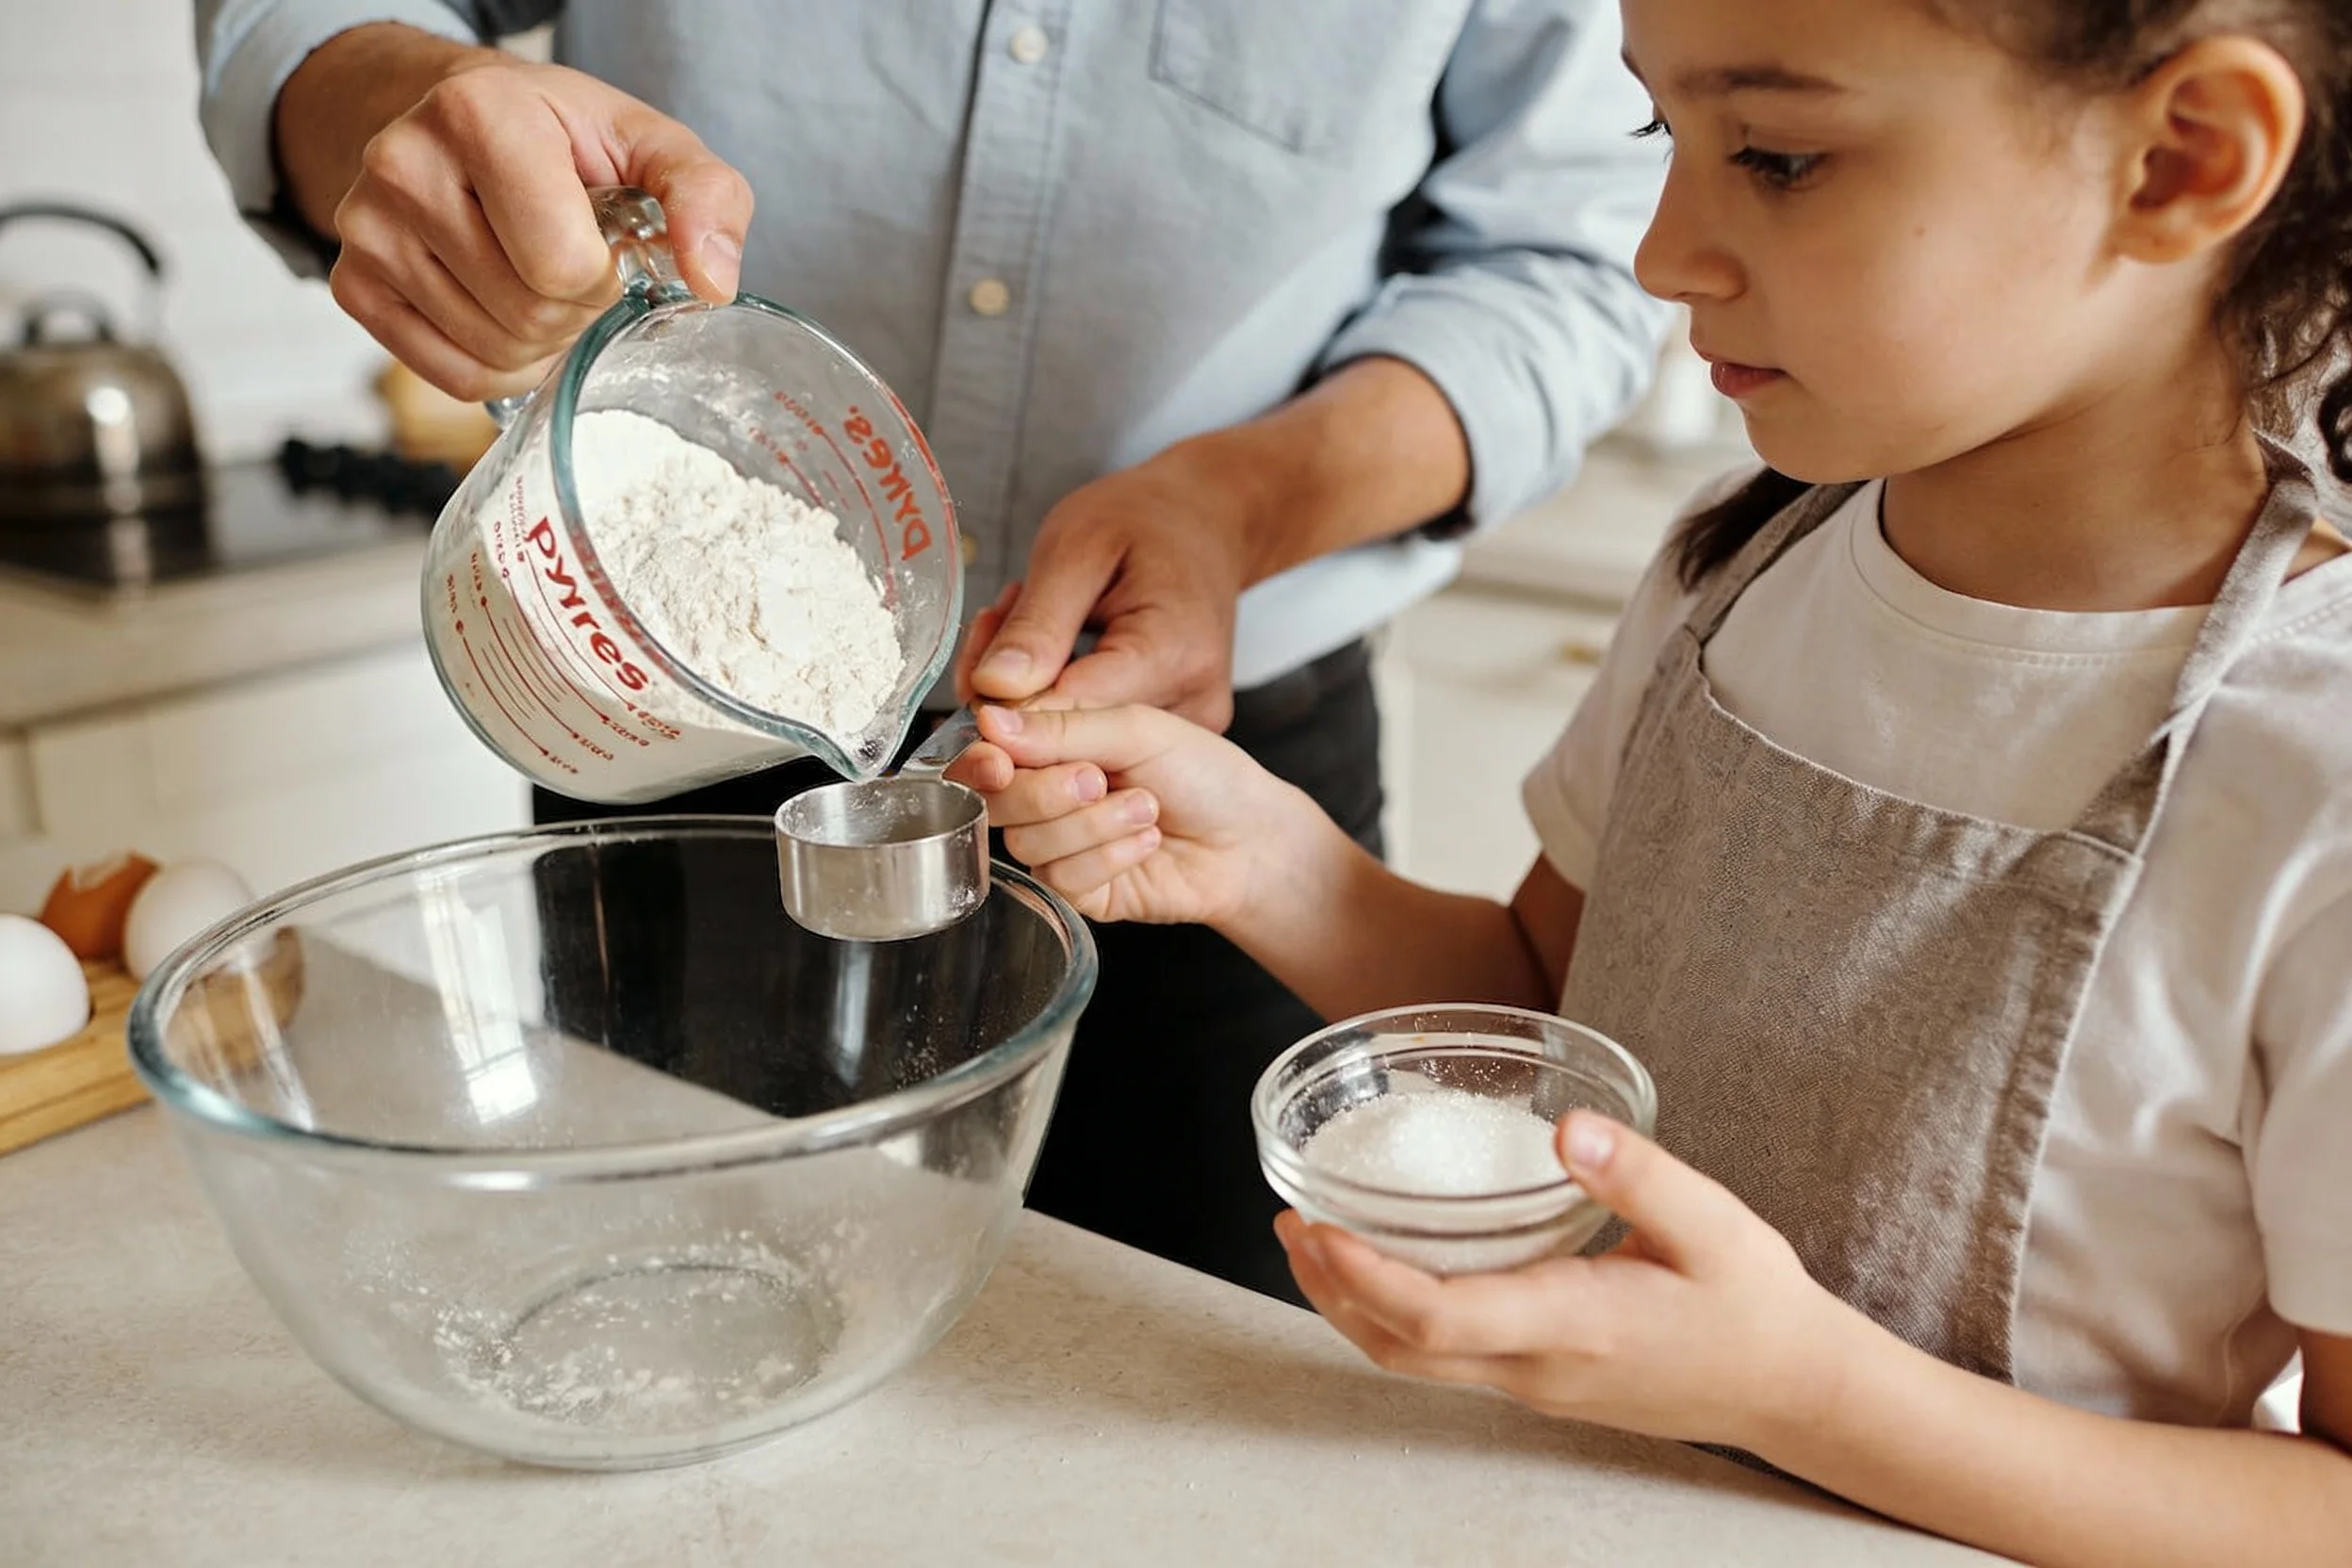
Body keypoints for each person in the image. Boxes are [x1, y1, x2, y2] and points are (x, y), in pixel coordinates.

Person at [952, 0, 2352, 1557]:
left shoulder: (2317, 777)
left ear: (2185, 156)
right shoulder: (1739, 567)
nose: (1664, 250)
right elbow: (1558, 998)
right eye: (1657, 135)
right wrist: (1269, 864)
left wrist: (1804, 1395)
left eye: (1778, 155)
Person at [194, 1, 1668, 1300]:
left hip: (1194, 786)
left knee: (1195, 1367)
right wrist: (392, 98)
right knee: (681, 1293)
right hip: (661, 729)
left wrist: (1239, 502)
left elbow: (1565, 267)